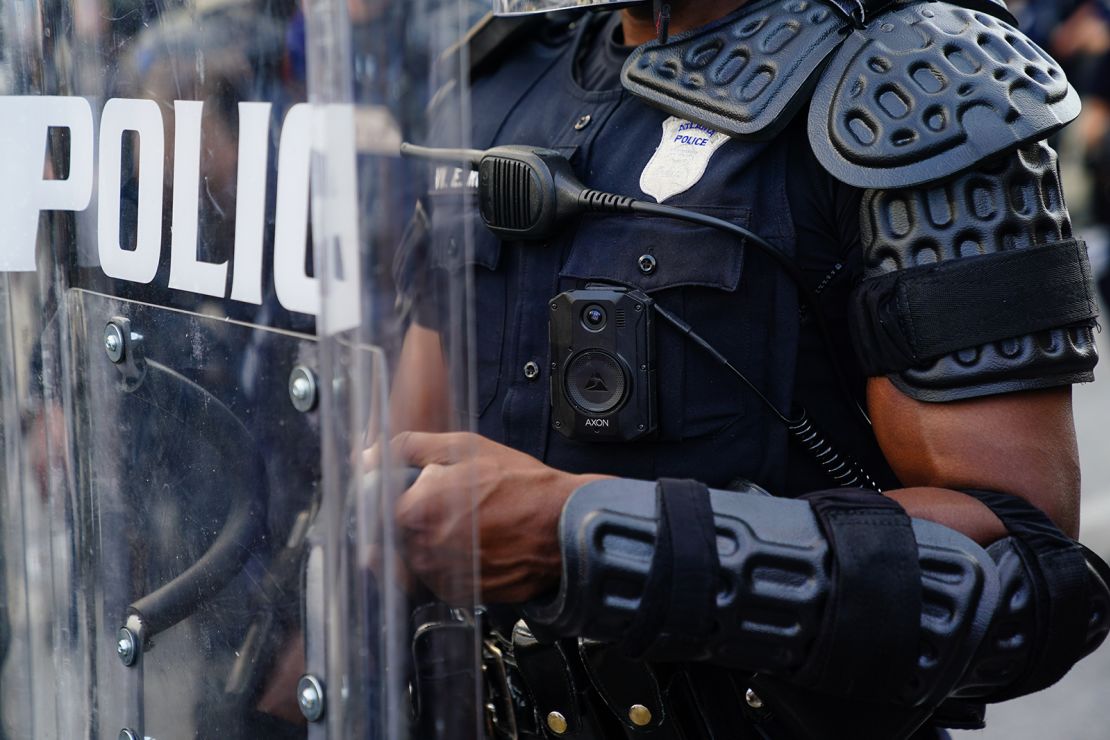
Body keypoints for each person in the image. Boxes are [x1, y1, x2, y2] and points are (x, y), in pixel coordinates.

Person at [387, 0, 1110, 737]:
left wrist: (592, 535)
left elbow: (1021, 567)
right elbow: (404, 459)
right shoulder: (499, 77)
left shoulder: (920, 84)